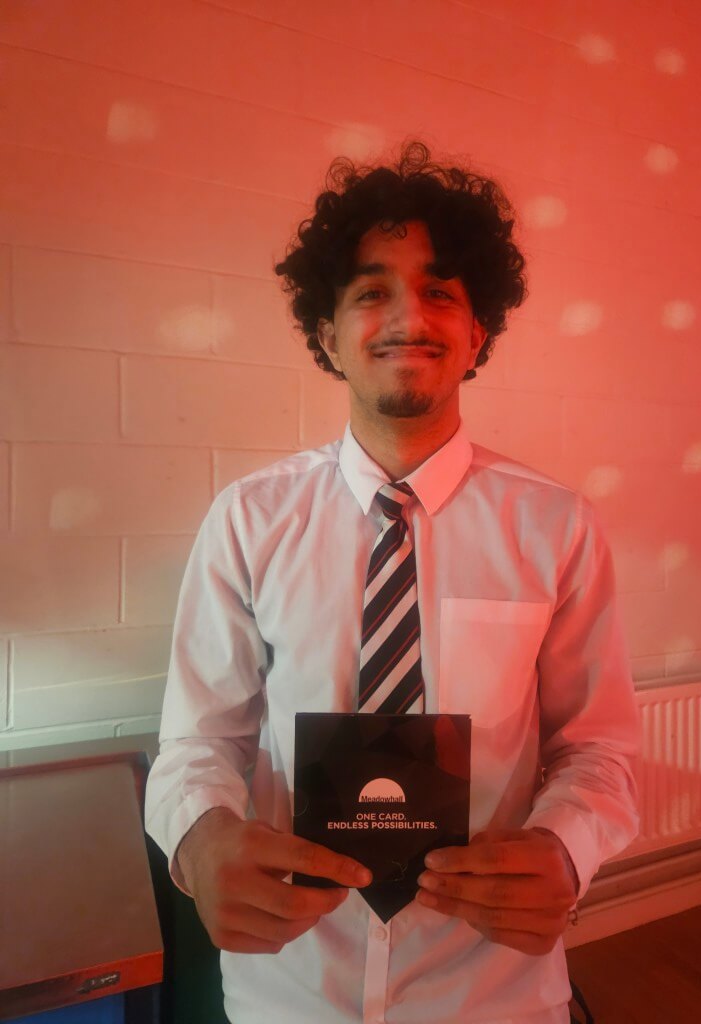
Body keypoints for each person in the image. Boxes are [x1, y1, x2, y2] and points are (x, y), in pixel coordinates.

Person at [145, 140, 641, 1024]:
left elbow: (598, 748)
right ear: (327, 334)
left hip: (492, 988)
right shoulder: (249, 520)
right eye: (372, 292)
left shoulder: (558, 527)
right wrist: (201, 839)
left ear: (478, 333)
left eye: (441, 291)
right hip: (293, 986)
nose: (409, 315)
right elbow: (198, 739)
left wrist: (567, 848)